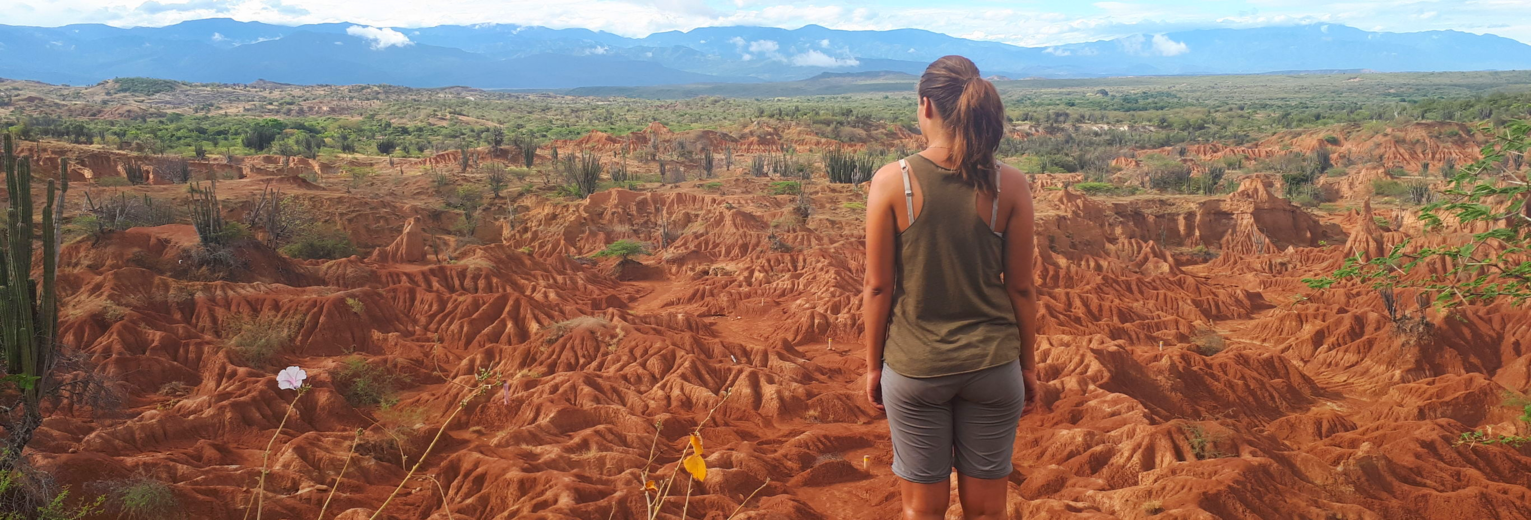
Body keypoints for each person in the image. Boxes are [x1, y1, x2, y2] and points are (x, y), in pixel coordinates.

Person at [862, 55, 1040, 520]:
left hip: (916, 368)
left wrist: (873, 367)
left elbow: (878, 288)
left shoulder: (891, 182)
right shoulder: (1011, 185)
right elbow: (1021, 289)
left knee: (923, 511)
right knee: (987, 510)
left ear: (926, 106)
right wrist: (1028, 366)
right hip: (993, 366)